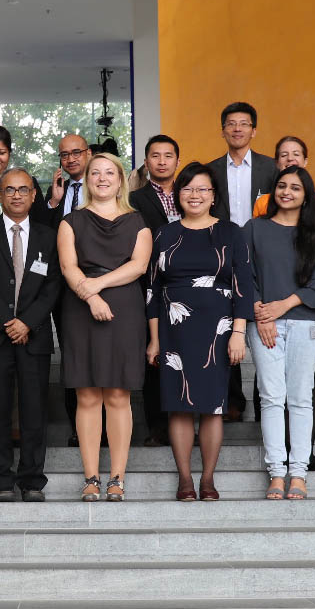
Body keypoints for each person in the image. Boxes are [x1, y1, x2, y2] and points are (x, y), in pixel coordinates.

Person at [145, 162, 251, 502]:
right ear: (178, 195)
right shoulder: (164, 234)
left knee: (212, 406)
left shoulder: (231, 233)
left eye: (203, 189)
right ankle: (185, 480)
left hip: (217, 329)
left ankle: (207, 479)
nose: (195, 195)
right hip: (174, 326)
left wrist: (238, 332)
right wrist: (154, 339)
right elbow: (151, 289)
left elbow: (243, 287)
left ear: (213, 195)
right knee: (179, 405)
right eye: (188, 189)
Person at [58, 153, 152, 503]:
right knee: (87, 395)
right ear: (86, 179)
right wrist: (91, 297)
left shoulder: (138, 222)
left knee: (117, 394)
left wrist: (96, 287)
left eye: (108, 172)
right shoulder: (71, 221)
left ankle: (117, 477)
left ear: (120, 179)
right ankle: (90, 477)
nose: (101, 178)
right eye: (94, 173)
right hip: (81, 311)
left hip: (124, 311)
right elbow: (68, 267)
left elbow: (139, 266)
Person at [0, 167, 62, 502]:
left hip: (33, 337)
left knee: (35, 411)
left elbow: (53, 286)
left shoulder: (48, 236)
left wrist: (28, 322)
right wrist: (7, 321)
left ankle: (33, 480)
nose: (17, 195)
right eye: (10, 190)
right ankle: (3, 480)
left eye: (24, 189)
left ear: (34, 195)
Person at [246, 166, 315, 500]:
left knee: (299, 398)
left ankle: (298, 473)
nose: (286, 192)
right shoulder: (254, 229)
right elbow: (244, 273)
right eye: (281, 186)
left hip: (304, 323)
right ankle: (276, 473)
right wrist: (259, 311)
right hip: (263, 324)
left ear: (306, 195)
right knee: (271, 398)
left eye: (295, 188)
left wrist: (282, 306)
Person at [206, 102, 276, 422]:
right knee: (225, 328)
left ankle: (266, 401)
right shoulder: (211, 171)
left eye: (243, 124)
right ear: (222, 130)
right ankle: (233, 401)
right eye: (231, 124)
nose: (237, 129)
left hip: (263, 256)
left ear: (254, 130)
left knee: (264, 329)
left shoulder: (270, 168)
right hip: (223, 257)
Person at [129, 134, 182, 447]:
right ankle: (157, 426)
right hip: (149, 284)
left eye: (168, 155)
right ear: (146, 162)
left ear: (177, 160)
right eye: (155, 156)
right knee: (154, 355)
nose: (162, 161)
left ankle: (188, 421)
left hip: (187, 286)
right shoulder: (135, 200)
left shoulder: (191, 192)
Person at [43, 133, 91, 447]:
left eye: (76, 153)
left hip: (101, 285)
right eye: (64, 155)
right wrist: (53, 204)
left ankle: (102, 427)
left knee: (98, 356)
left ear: (88, 154)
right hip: (63, 290)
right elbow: (44, 235)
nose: (71, 159)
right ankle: (77, 426)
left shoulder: (103, 185)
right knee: (72, 358)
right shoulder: (55, 193)